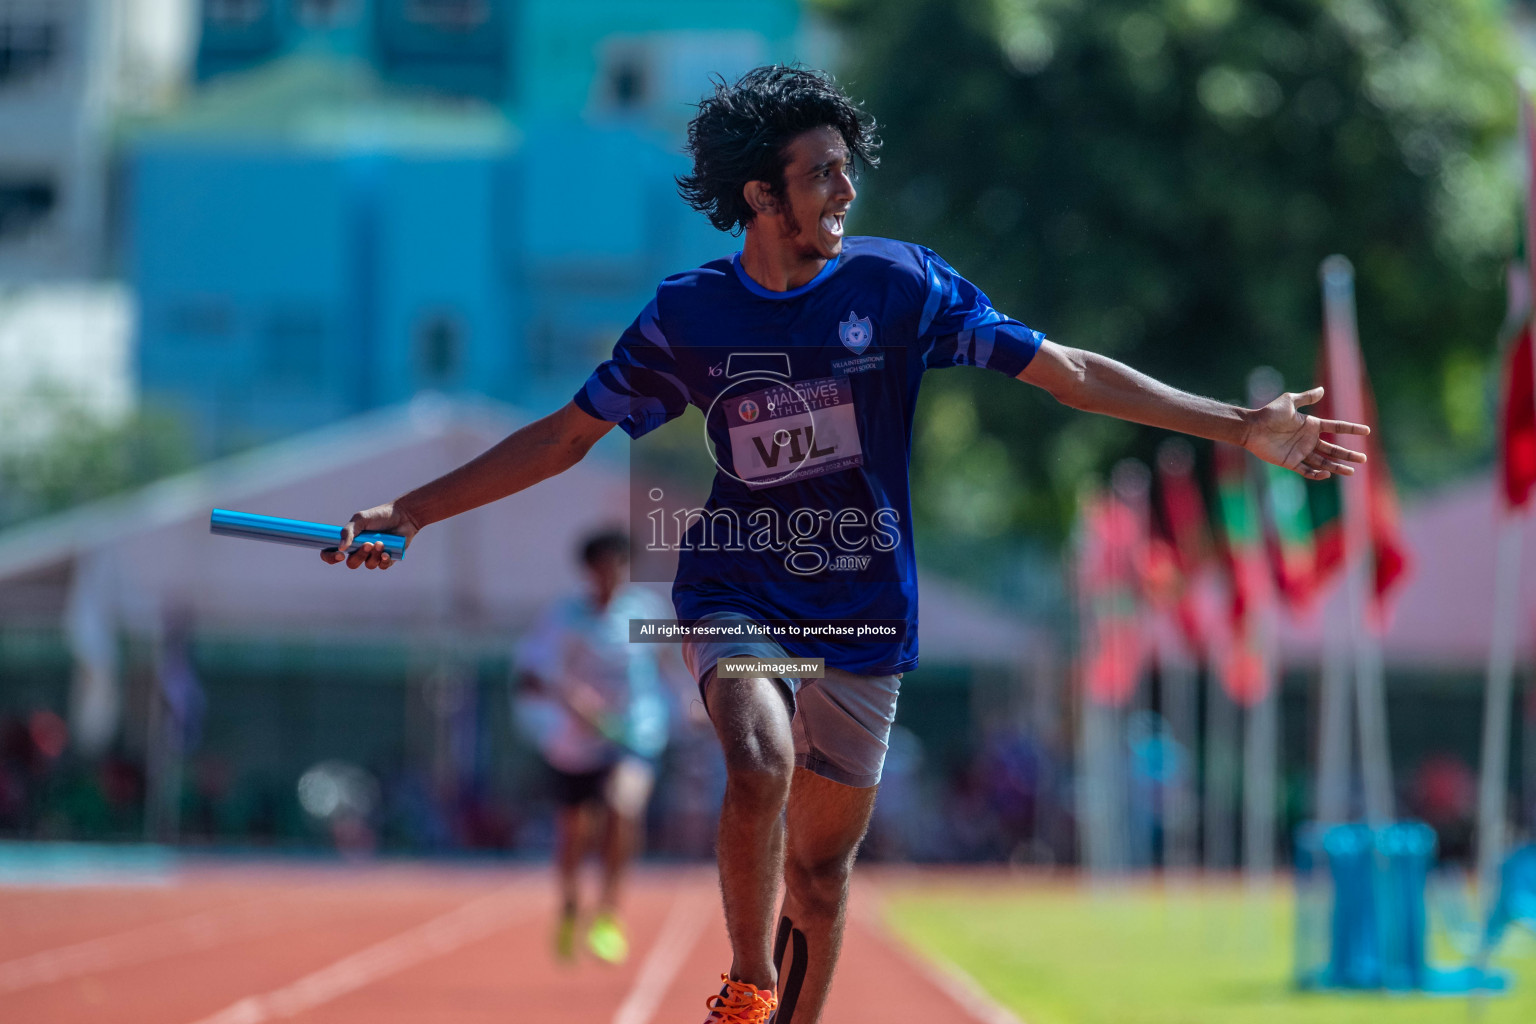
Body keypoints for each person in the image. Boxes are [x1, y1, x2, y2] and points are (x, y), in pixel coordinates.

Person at [323, 65, 1369, 1024]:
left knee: (820, 881)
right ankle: (746, 977)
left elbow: (1070, 371)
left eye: (847, 170)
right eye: (821, 174)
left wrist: (1238, 427)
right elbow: (562, 435)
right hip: (734, 590)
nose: (846, 191)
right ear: (759, 195)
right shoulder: (691, 316)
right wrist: (408, 513)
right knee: (757, 754)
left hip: (867, 612)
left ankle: (784, 996)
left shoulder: (900, 287)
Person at [513, 530, 670, 964]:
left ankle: (609, 913)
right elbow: (528, 676)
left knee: (624, 805)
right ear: (587, 570)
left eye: (618, 565)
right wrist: (572, 700)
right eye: (602, 565)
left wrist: (693, 704)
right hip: (573, 744)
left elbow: (670, 667)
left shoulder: (645, 613)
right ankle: (569, 906)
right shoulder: (562, 616)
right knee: (575, 835)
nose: (610, 574)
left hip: (633, 737)